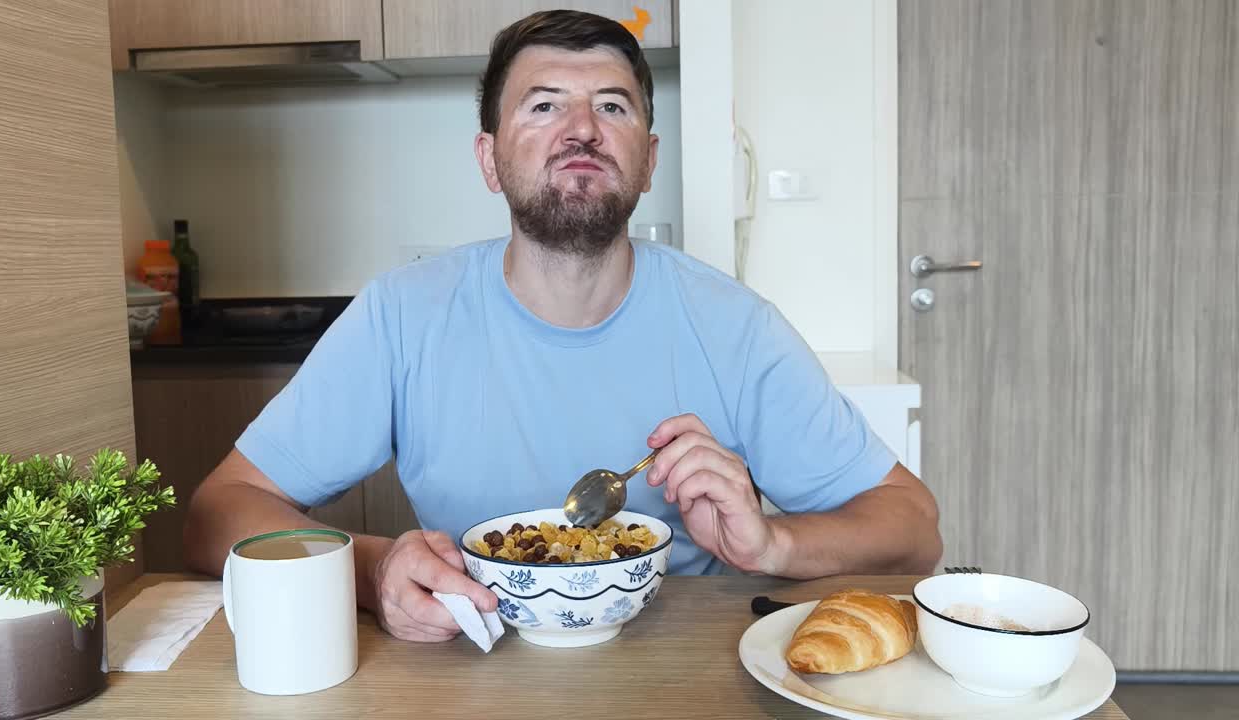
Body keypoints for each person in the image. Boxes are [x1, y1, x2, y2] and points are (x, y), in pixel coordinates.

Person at [183, 9, 942, 643]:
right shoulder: (402, 316)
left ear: (647, 160)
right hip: (470, 665)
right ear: (489, 158)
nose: (580, 129)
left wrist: (775, 542)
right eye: (543, 105)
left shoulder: (735, 327)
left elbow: (913, 528)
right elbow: (220, 511)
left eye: (612, 106)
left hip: (688, 669)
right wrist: (373, 570)